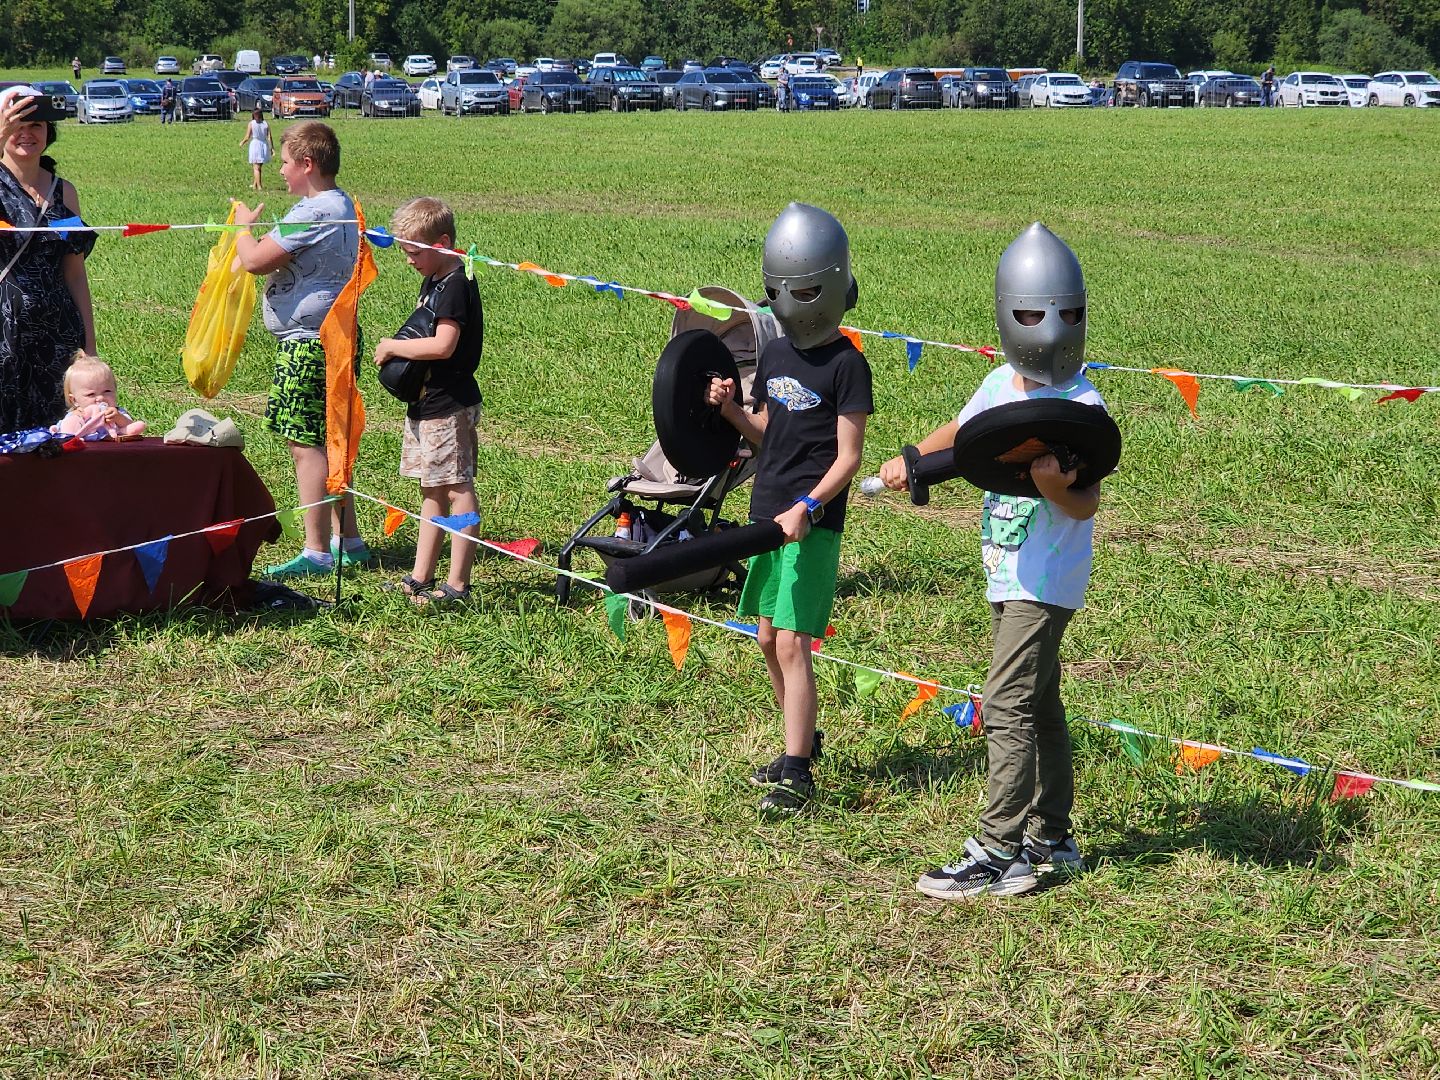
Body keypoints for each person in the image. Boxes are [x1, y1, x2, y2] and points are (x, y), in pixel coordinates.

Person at [879, 222, 1107, 900]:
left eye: (1061, 314)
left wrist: (1055, 486)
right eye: (1034, 314)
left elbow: (1087, 501)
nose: (1049, 328)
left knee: (1005, 704)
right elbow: (964, 432)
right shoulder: (999, 383)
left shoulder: (1081, 406)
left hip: (1046, 580)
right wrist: (913, 459)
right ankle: (1052, 836)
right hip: (1010, 569)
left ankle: (999, 848)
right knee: (1040, 706)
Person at [704, 203, 872, 817]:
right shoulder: (774, 356)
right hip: (765, 514)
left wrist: (808, 506)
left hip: (810, 523)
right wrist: (729, 411)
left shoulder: (848, 364)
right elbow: (765, 433)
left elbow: (849, 458)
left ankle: (797, 770)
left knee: (796, 641)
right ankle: (797, 743)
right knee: (769, 638)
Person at [231, 121, 369, 577]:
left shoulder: (313, 210)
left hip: (308, 345)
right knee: (329, 439)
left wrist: (242, 227)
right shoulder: (344, 202)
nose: (281, 172)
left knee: (306, 446)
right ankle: (348, 538)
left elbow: (252, 261)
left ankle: (316, 551)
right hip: (337, 338)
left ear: (307, 164)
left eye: (286, 163)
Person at [373, 197, 484, 607]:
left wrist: (393, 347)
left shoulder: (455, 285)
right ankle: (420, 576)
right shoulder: (436, 278)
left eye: (414, 252)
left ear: (442, 243)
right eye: (404, 252)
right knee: (431, 489)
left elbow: (443, 345)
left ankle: (458, 584)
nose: (408, 261)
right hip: (426, 403)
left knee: (457, 489)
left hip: (448, 405)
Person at [0, 85, 96, 435]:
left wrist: (89, 346)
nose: (27, 134)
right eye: (16, 125)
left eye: (37, 125)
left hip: (56, 341)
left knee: (57, 440)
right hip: (3, 341)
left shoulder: (64, 192)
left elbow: (74, 274)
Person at [51, 352, 146, 439]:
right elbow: (67, 431)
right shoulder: (77, 415)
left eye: (107, 391)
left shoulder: (117, 412)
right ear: (74, 400)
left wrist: (118, 418)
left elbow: (130, 425)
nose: (100, 398)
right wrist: (77, 419)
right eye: (91, 394)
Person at [240, 107, 273, 191]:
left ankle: (259, 186)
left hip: (255, 145)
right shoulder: (265, 123)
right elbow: (269, 137)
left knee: (256, 167)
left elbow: (247, 136)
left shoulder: (251, 123)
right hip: (263, 145)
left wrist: (242, 142)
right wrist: (271, 147)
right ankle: (255, 185)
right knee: (259, 167)